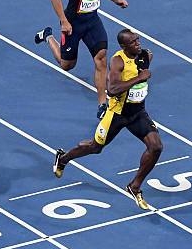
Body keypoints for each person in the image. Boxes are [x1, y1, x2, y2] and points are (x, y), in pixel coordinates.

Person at [53, 29, 162, 210]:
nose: (138, 44)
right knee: (95, 148)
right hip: (117, 114)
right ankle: (63, 158)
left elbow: (144, 68)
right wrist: (138, 78)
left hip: (138, 113)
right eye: (134, 42)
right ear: (124, 46)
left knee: (156, 146)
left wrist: (141, 78)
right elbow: (112, 89)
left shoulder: (145, 55)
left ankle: (134, 186)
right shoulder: (117, 61)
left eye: (138, 40)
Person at [35, 0, 128, 119]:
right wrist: (64, 21)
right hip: (73, 24)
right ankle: (48, 36)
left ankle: (102, 103)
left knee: (101, 58)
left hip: (92, 21)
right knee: (67, 65)